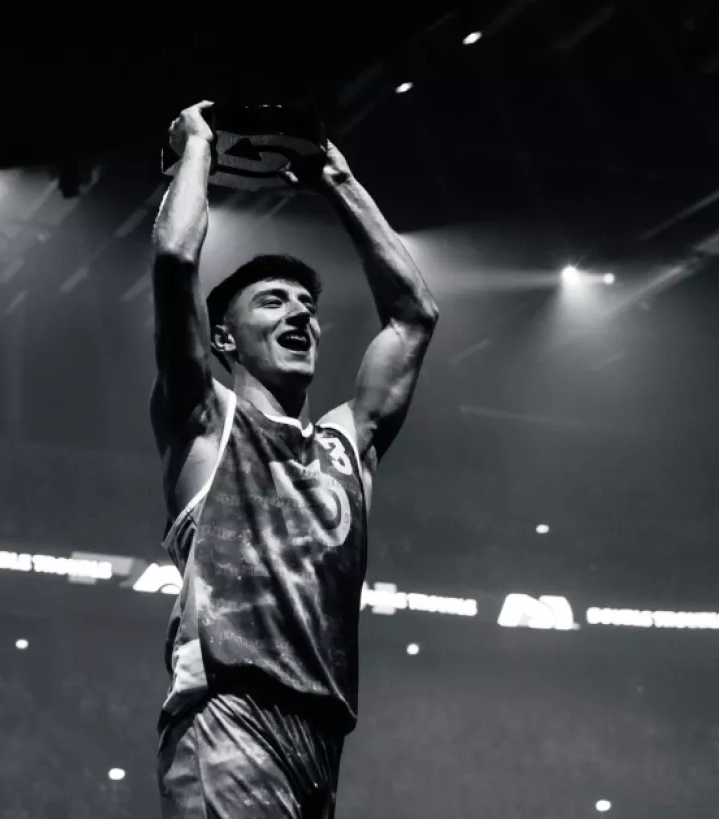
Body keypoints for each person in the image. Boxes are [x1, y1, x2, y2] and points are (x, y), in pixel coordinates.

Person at [150, 100, 439, 818]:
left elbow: (415, 316)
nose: (301, 313)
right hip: (228, 714)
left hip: (321, 743)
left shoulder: (346, 443)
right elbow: (175, 260)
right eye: (273, 302)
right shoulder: (207, 421)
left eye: (307, 304)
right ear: (224, 339)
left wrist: (338, 179)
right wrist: (197, 147)